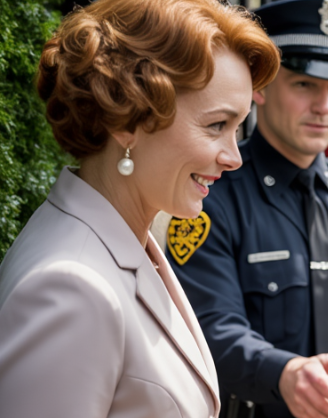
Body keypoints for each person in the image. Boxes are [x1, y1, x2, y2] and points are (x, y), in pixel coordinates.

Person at [0, 0, 280, 417]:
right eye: (216, 125)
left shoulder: (120, 240)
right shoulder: (70, 287)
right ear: (126, 118)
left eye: (237, 128)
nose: (233, 157)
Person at [165, 1, 328, 417]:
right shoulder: (211, 196)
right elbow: (209, 327)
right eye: (305, 84)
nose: (325, 106)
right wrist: (283, 373)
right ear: (260, 87)